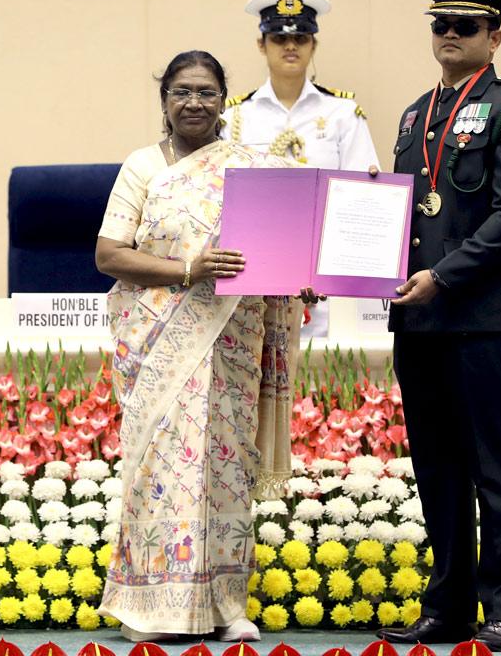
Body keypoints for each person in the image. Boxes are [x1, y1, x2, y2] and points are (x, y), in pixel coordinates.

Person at [95, 50, 319, 643]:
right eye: (181, 92)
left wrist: (300, 279)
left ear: (225, 98)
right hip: (158, 338)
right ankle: (150, 606)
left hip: (233, 340)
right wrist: (189, 268)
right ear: (163, 100)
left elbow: (281, 252)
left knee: (224, 469)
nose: (194, 102)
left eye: (206, 91)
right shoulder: (143, 166)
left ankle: (225, 604)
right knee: (162, 470)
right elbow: (110, 255)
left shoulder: (256, 168)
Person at [380, 0, 501, 652]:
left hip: (481, 317)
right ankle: (448, 606)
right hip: (420, 322)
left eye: (466, 27)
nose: (450, 36)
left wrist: (442, 277)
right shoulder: (413, 114)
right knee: (439, 469)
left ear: (494, 37)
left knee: (497, 467)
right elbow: (397, 214)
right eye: (440, 26)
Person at [221, 0, 379, 338]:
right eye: (278, 38)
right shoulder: (234, 117)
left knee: (325, 377)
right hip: (253, 271)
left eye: (301, 38)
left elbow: (362, 198)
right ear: (261, 44)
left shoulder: (342, 114)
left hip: (325, 276)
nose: (290, 46)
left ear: (313, 45)